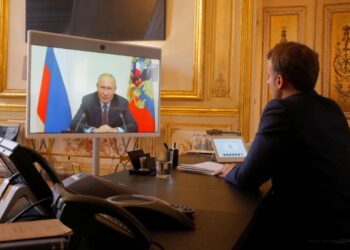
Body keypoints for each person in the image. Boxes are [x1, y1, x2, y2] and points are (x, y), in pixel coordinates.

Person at [214, 42, 350, 249]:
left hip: (306, 230)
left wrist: (230, 170)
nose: (267, 81)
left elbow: (247, 178)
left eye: (268, 76)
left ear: (279, 81)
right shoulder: (332, 107)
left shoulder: (281, 109)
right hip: (341, 226)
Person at [70, 73, 138, 133]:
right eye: (102, 87)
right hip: (92, 142)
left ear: (115, 89)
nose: (105, 93)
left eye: (109, 88)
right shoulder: (88, 101)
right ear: (97, 86)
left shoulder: (122, 103)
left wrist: (114, 130)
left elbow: (133, 126)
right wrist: (95, 130)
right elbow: (74, 125)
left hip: (115, 143)